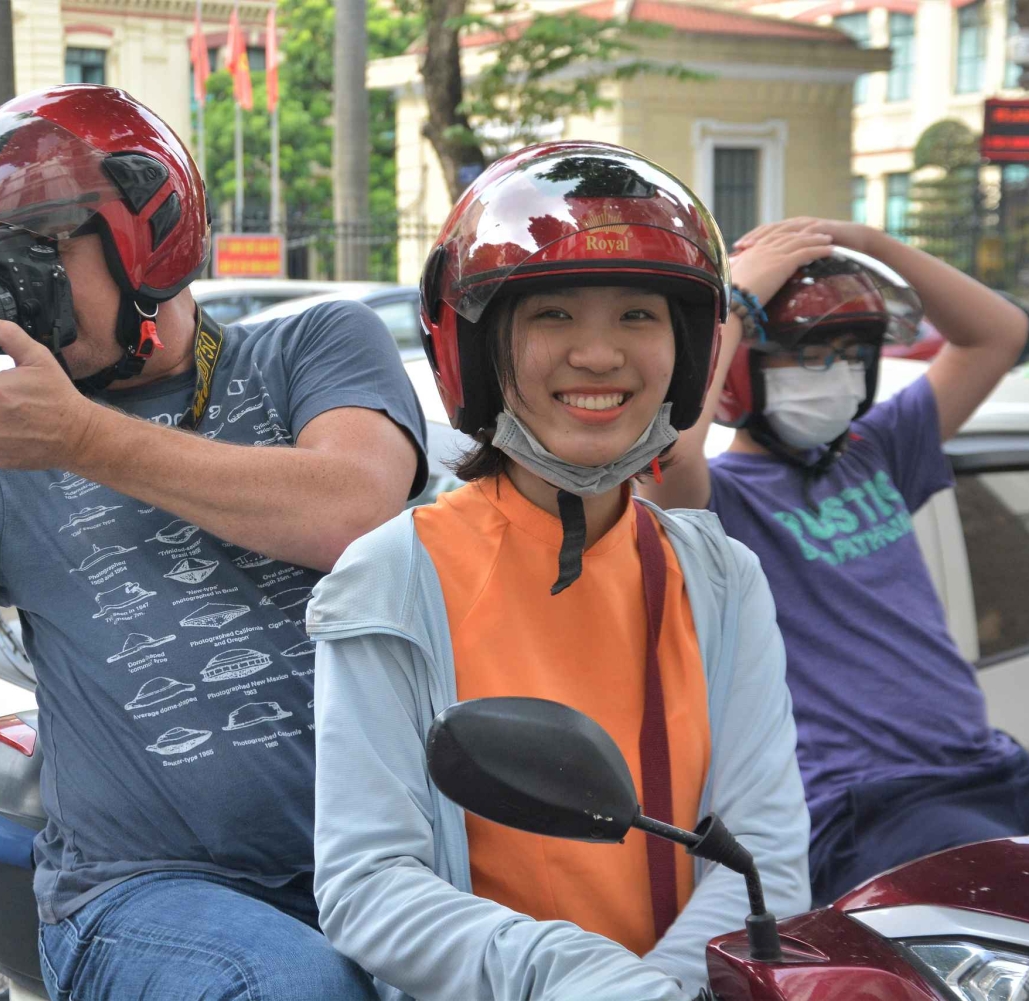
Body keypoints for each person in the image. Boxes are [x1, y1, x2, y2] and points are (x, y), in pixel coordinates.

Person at [0, 85, 427, 1000]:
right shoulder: (0, 455)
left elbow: (355, 513)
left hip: (388, 862)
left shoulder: (310, 349)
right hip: (142, 897)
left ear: (147, 238)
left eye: (41, 250)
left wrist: (85, 439)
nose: (18, 286)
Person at [308, 142, 810, 1001]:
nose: (599, 354)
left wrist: (657, 990)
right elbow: (368, 884)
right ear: (477, 346)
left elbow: (761, 856)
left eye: (637, 316)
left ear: (686, 351)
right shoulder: (393, 575)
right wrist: (572, 978)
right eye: (553, 316)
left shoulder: (721, 580)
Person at [641, 215, 1029, 905]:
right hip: (868, 806)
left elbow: (998, 333)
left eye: (850, 352)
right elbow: (667, 450)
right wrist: (736, 300)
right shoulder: (715, 503)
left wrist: (867, 244)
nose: (834, 372)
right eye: (807, 353)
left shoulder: (874, 453)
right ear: (739, 372)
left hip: (993, 768)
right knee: (1015, 910)